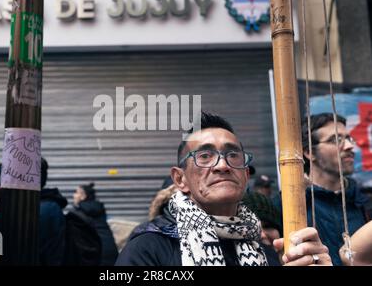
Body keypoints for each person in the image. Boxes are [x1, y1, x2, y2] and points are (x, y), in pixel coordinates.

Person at [116, 112, 331, 266]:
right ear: (180, 179)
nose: (222, 165)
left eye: (232, 155)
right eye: (205, 156)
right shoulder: (150, 248)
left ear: (245, 175)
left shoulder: (266, 249)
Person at [274, 113, 369, 266]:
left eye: (348, 138)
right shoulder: (286, 205)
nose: (350, 146)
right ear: (309, 152)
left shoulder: (366, 204)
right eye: (336, 140)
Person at [73, 182, 119, 266]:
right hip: (111, 251)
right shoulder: (99, 209)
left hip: (96, 252)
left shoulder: (78, 212)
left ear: (83, 196)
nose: (74, 195)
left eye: (76, 192)